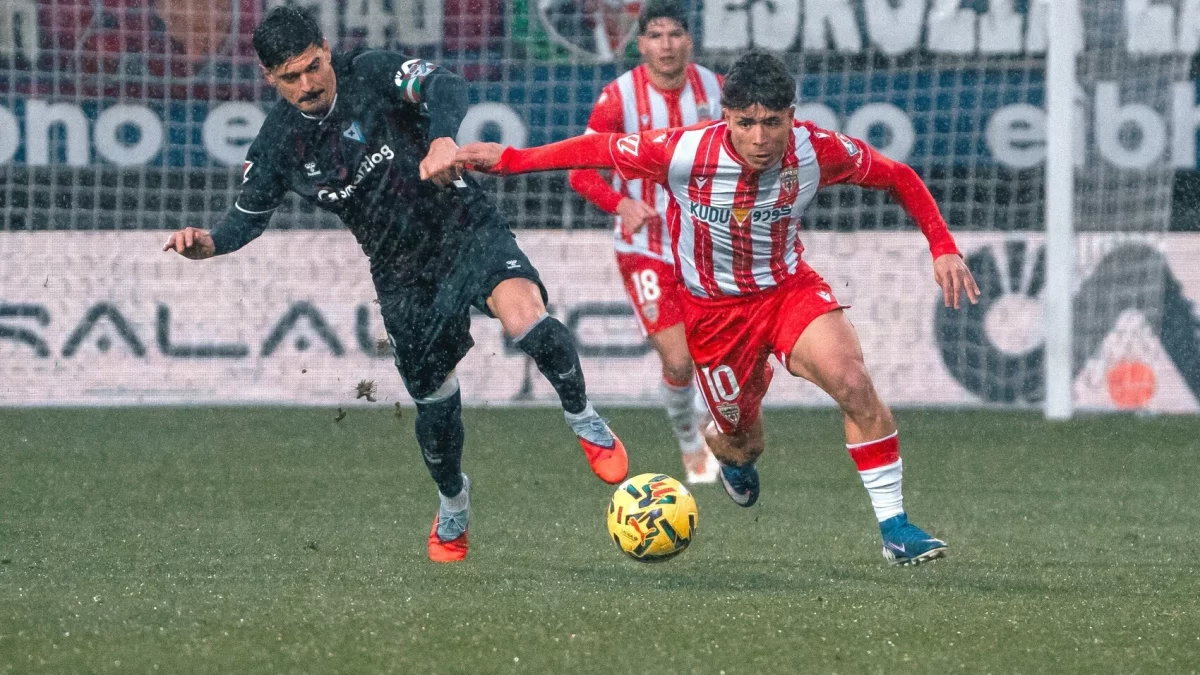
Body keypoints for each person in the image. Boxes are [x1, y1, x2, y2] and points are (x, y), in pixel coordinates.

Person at [455, 52, 981, 566]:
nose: (759, 138)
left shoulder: (817, 150)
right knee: (741, 442)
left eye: (773, 123)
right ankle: (724, 445)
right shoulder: (684, 152)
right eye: (746, 123)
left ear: (792, 117)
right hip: (715, 316)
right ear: (725, 117)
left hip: (787, 290)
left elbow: (899, 176)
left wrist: (943, 246)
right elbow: (598, 149)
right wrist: (510, 161)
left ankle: (895, 529)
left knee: (852, 381)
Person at [161, 6, 629, 564]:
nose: (308, 84)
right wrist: (209, 243)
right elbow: (246, 218)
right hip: (400, 271)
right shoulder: (278, 144)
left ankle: (584, 418)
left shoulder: (372, 72)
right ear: (269, 78)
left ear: (327, 49)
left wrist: (440, 141)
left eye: (314, 66)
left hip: (462, 227)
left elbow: (446, 85)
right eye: (291, 76)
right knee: (434, 401)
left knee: (527, 317)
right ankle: (453, 501)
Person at [568, 0, 721, 484]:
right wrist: (622, 204)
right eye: (656, 36)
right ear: (641, 44)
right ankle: (689, 441)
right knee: (677, 358)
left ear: (689, 41)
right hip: (646, 248)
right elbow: (579, 170)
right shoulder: (618, 98)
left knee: (714, 353)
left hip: (707, 246)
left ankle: (709, 419)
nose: (667, 45)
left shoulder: (718, 90)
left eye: (675, 35)